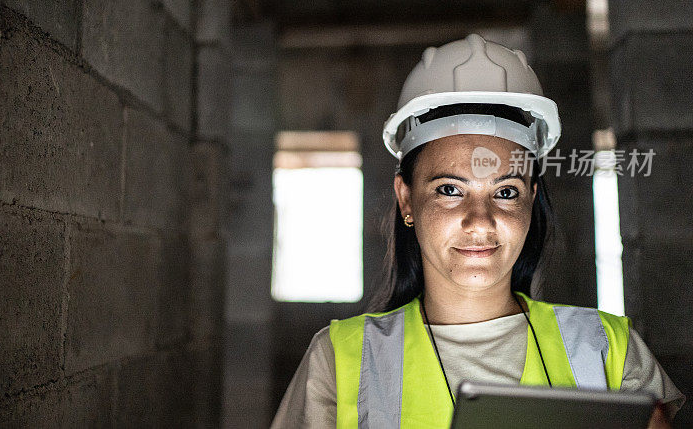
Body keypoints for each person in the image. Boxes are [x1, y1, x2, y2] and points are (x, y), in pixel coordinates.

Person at [271, 34, 685, 428]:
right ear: (406, 200)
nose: (480, 220)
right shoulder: (342, 360)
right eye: (449, 190)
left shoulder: (607, 349)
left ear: (531, 199)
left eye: (506, 191)